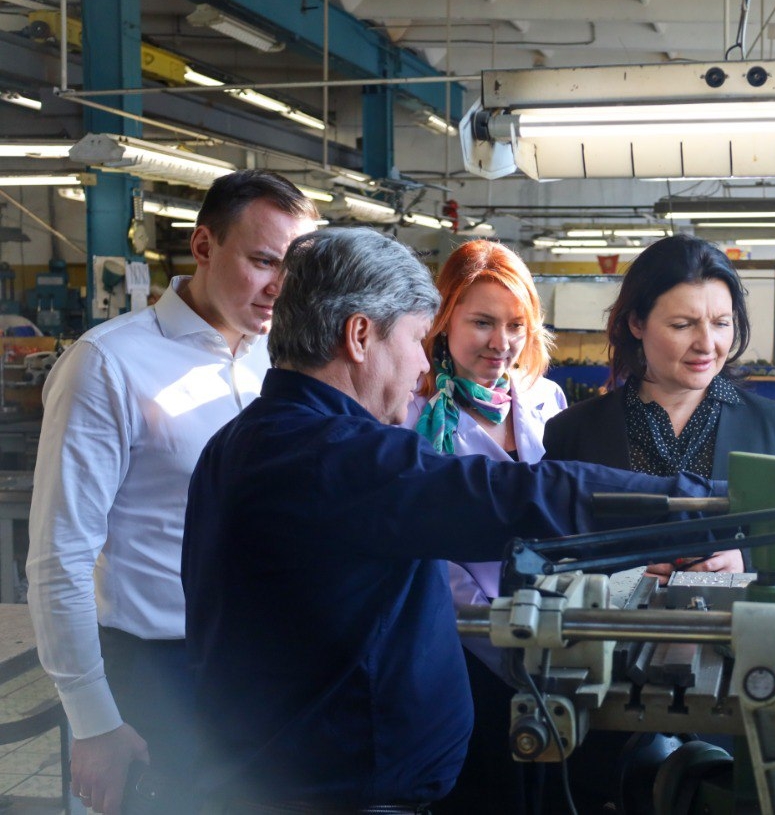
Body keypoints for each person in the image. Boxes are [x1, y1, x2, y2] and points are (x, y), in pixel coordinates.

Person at [182, 227, 729, 811]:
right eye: (416, 339)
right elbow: (519, 496)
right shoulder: (338, 458)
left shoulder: (249, 439)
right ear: (360, 336)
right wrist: (712, 506)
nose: (424, 360)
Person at [26, 170, 317, 815]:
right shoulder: (108, 364)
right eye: (264, 261)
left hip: (268, 665)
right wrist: (94, 722)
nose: (281, 287)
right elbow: (58, 558)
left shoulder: (280, 361)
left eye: (295, 268)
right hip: (159, 674)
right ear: (204, 246)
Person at [543, 233, 775, 578]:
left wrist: (749, 561)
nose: (707, 344)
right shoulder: (574, 432)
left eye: (721, 323)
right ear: (636, 323)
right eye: (682, 325)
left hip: (741, 614)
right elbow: (543, 551)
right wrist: (619, 567)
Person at [404, 239, 565, 814]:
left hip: (552, 636)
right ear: (443, 319)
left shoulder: (545, 398)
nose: (502, 343)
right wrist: (500, 635)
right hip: (460, 647)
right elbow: (425, 547)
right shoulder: (411, 410)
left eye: (516, 325)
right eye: (482, 322)